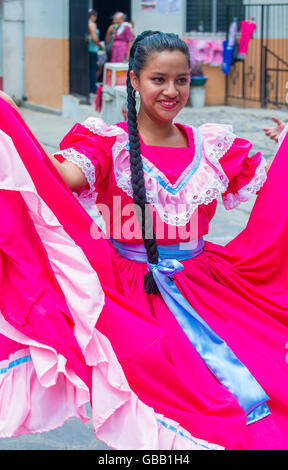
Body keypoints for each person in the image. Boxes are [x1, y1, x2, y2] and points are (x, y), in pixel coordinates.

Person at [1, 30, 288, 450]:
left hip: (206, 287)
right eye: (158, 79)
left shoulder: (213, 146)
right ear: (133, 80)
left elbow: (273, 200)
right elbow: (54, 179)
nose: (171, 91)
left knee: (240, 386)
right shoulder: (107, 143)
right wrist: (9, 122)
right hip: (126, 293)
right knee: (150, 393)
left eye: (182, 80)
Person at [88, 9, 102, 93]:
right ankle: (93, 87)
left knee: (89, 69)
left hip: (87, 49)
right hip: (93, 49)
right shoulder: (92, 24)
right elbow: (94, 38)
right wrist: (100, 45)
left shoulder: (85, 23)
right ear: (93, 16)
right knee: (94, 68)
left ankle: (89, 86)